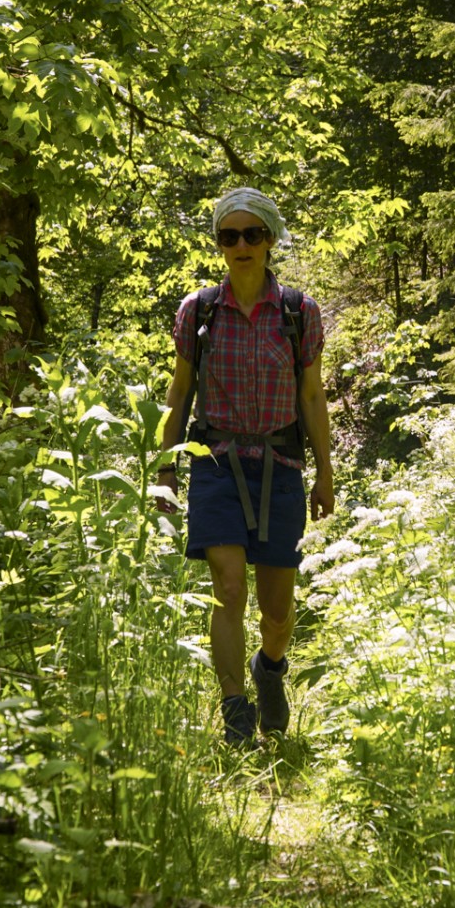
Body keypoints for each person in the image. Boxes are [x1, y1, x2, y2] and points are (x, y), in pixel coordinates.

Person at [156, 187, 334, 746]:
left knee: (278, 613)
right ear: (219, 244)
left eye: (252, 234)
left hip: (281, 466)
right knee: (229, 589)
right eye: (228, 236)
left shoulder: (299, 313)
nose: (241, 245)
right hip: (215, 464)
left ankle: (269, 669)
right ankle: (235, 714)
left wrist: (325, 472)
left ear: (270, 239)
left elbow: (311, 398)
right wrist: (165, 471)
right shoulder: (199, 311)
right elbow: (180, 392)